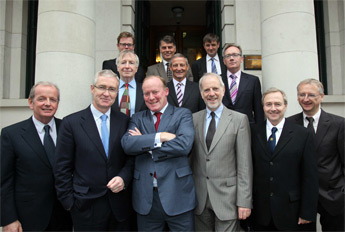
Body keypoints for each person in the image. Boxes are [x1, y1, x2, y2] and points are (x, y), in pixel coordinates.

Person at [54, 70, 134, 231]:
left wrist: (123, 178)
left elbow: (131, 159)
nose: (106, 93)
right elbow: (61, 166)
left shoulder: (125, 121)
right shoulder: (71, 123)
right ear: (92, 89)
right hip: (85, 206)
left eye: (112, 89)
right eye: (101, 87)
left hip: (119, 206)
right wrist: (69, 203)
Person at [121, 75, 196, 231]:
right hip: (146, 199)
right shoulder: (137, 118)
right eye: (146, 94)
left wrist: (145, 144)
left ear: (166, 91)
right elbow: (128, 144)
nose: (151, 97)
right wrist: (160, 137)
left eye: (155, 92)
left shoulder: (183, 114)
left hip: (178, 195)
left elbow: (184, 145)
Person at [1, 82, 72, 231]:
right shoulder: (11, 134)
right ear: (30, 102)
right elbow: (4, 181)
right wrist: (9, 219)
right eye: (41, 99)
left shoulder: (68, 128)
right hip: (28, 217)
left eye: (53, 99)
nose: (48, 104)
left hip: (64, 216)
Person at [190, 73, 252, 231]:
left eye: (215, 89)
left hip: (228, 199)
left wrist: (244, 201)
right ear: (202, 94)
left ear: (223, 90)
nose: (211, 93)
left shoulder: (239, 120)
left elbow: (244, 165)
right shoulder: (193, 119)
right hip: (200, 199)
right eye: (207, 90)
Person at [251, 87, 319, 231]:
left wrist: (307, 212)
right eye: (268, 104)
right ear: (263, 107)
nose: (273, 108)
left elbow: (310, 176)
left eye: (278, 104)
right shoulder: (253, 132)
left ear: (285, 106)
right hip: (261, 214)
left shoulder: (303, 134)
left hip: (292, 213)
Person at [287, 79, 344, 231]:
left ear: (321, 96)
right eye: (302, 95)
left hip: (333, 196)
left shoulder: (338, 125)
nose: (306, 99)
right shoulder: (289, 124)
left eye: (311, 95)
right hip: (301, 198)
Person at [221, 43, 264, 124]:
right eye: (228, 56)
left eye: (235, 55)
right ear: (224, 61)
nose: (231, 58)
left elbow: (258, 110)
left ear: (241, 59)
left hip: (247, 127)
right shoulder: (217, 80)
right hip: (223, 127)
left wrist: (259, 132)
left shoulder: (253, 81)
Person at [112, 50, 147, 116]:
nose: (127, 66)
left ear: (136, 68)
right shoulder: (110, 89)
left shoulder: (145, 89)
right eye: (123, 63)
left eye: (131, 63)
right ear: (117, 67)